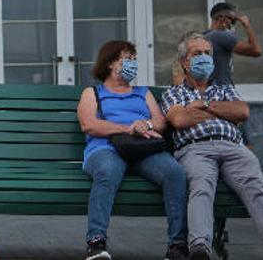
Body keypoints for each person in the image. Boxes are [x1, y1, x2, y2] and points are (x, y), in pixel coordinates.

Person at [162, 33, 263, 260]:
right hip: (195, 149)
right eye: (197, 54)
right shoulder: (173, 93)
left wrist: (202, 105)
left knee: (256, 188)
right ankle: (200, 248)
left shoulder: (223, 88)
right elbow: (180, 120)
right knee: (201, 187)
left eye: (207, 54)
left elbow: (241, 112)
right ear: (185, 61)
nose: (204, 58)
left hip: (233, 147)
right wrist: (221, 111)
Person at [77, 40, 189, 260]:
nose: (133, 64)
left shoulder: (142, 92)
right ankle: (96, 243)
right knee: (107, 171)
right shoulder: (93, 93)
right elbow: (89, 124)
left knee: (175, 173)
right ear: (110, 64)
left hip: (142, 149)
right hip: (105, 148)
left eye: (134, 60)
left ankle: (177, 246)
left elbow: (160, 121)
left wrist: (145, 125)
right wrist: (128, 128)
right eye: (127, 59)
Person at [203, 2, 261, 86]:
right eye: (233, 20)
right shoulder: (220, 36)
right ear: (221, 18)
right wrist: (246, 25)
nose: (233, 25)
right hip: (222, 90)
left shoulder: (204, 36)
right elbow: (256, 51)